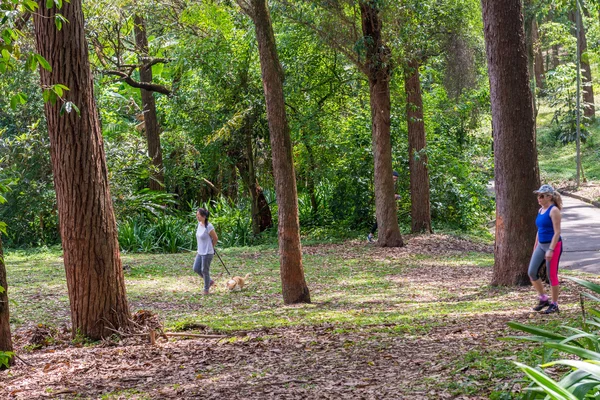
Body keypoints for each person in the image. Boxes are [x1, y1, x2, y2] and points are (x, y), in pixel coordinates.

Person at [528, 184, 563, 314]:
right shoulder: (540, 210)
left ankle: (554, 304)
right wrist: (535, 245)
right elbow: (539, 230)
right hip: (541, 245)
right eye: (538, 196)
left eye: (542, 196)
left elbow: (557, 232)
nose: (539, 198)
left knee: (551, 275)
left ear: (549, 197)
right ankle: (543, 299)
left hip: (553, 245)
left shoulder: (554, 210)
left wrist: (551, 249)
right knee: (532, 272)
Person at [368, 170, 401, 242]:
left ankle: (385, 235)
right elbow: (386, 194)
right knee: (380, 220)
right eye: (394, 178)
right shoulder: (387, 183)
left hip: (389, 205)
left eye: (396, 179)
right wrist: (394, 196)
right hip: (383, 205)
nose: (395, 180)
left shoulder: (393, 185)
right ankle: (370, 235)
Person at [193, 208, 218, 295]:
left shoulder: (209, 226)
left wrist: (211, 246)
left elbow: (215, 238)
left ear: (204, 216)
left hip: (207, 252)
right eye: (197, 215)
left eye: (198, 215)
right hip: (200, 251)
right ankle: (209, 281)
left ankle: (206, 289)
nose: (197, 217)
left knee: (204, 270)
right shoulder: (199, 224)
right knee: (196, 268)